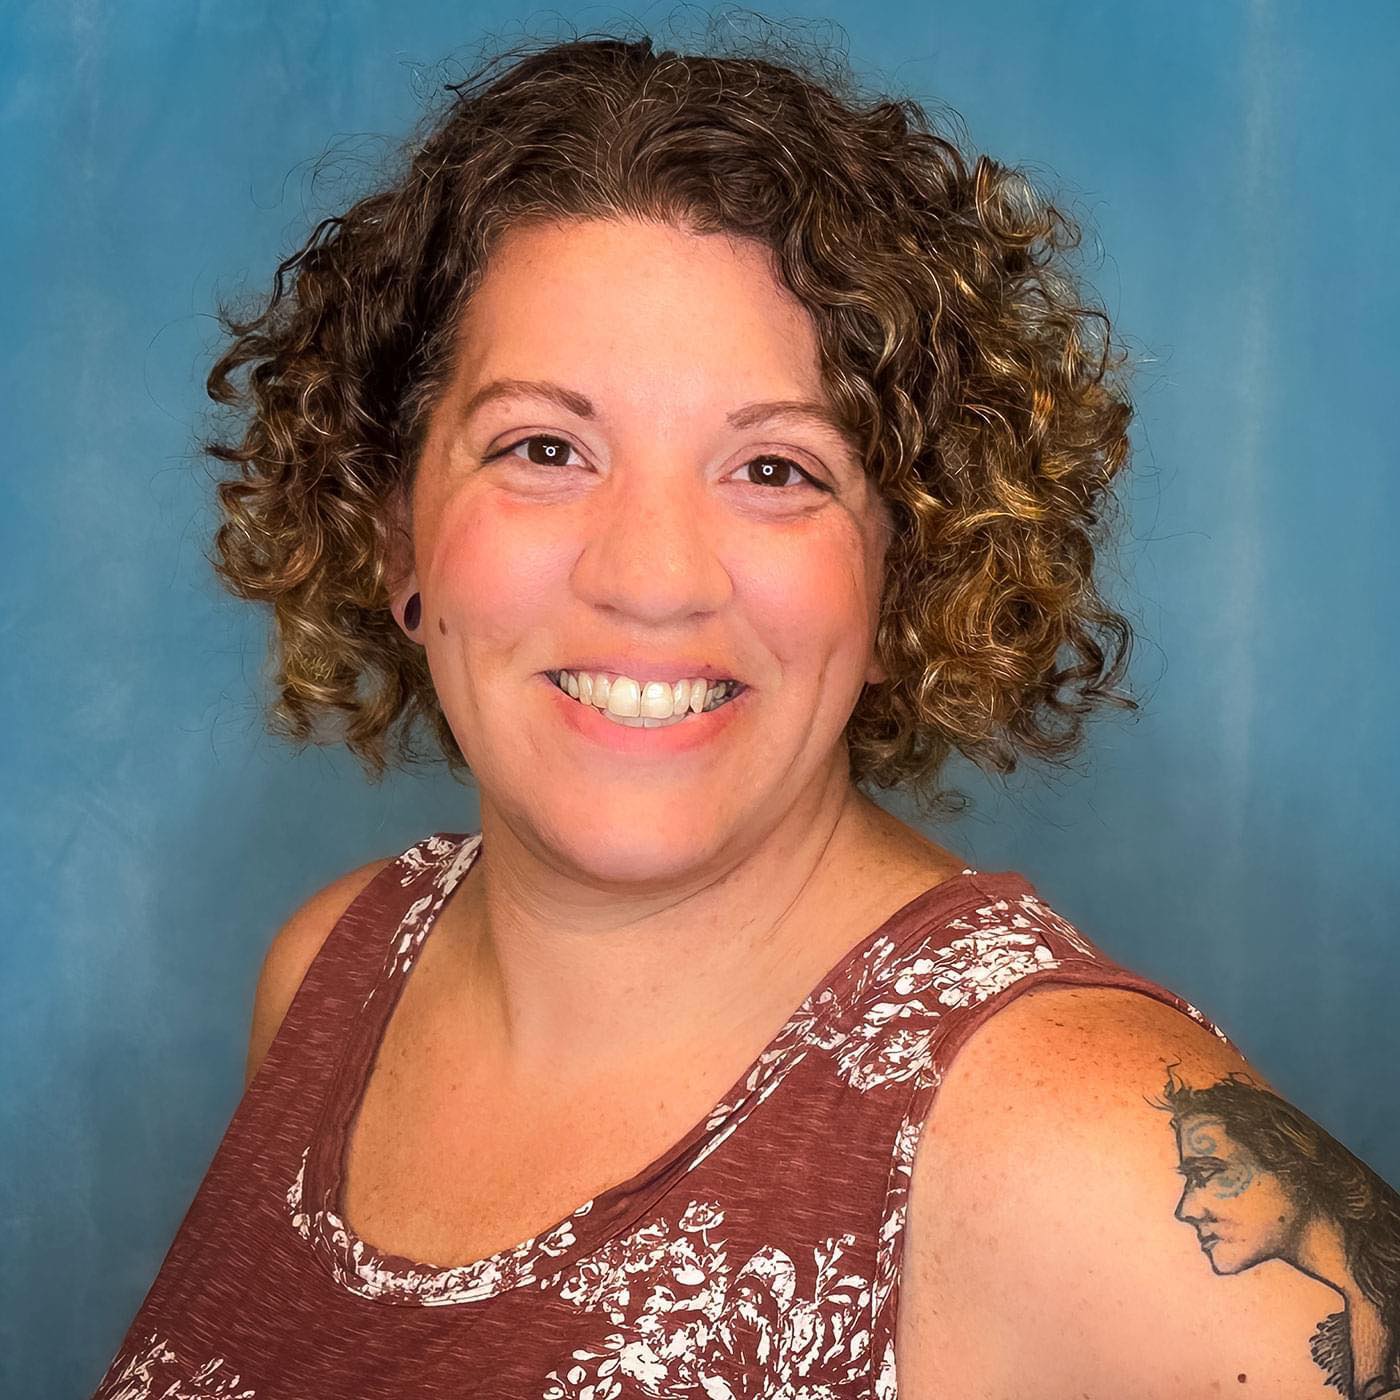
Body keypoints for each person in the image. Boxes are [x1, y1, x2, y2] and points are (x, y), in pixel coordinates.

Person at [90, 26, 1399, 1400]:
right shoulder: (333, 974)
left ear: (910, 570)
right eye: (545, 448)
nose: (651, 578)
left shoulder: (1054, 1132)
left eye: (775, 468)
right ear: (391, 526)